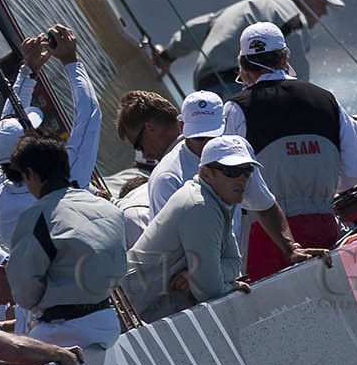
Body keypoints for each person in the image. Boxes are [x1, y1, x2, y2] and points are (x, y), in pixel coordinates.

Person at [223, 21, 357, 280]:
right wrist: (318, 190)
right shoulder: (326, 100)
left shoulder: (236, 108)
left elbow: (226, 180)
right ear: (285, 57)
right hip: (323, 224)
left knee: (268, 312)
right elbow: (356, 171)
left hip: (265, 233)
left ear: (242, 66)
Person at [125, 136, 311, 321]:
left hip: (145, 312)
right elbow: (210, 290)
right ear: (206, 173)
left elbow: (234, 262)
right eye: (231, 171)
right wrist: (223, 282)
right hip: (128, 314)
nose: (241, 179)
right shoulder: (201, 206)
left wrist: (202, 273)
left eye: (247, 171)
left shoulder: (216, 201)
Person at [5, 134, 129, 349]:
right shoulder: (108, 207)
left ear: (31, 174)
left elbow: (25, 292)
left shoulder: (37, 215)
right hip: (109, 323)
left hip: (63, 331)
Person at [0, 25, 101, 245]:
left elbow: (5, 128)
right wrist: (71, 61)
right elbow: (90, 114)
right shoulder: (67, 175)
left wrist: (28, 71)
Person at [152, 0, 344, 94]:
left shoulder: (242, 7)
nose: (325, 11)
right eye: (323, 1)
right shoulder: (291, 15)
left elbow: (192, 31)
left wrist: (168, 56)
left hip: (205, 86)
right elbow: (298, 81)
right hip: (242, 85)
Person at [109, 90, 182, 246]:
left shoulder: (165, 175)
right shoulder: (214, 144)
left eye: (138, 145)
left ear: (150, 128)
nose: (145, 154)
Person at [146, 91, 226, 219]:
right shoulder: (167, 179)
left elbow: (262, 204)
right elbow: (166, 236)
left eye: (213, 137)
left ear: (225, 122)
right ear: (181, 126)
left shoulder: (240, 155)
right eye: (199, 138)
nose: (207, 144)